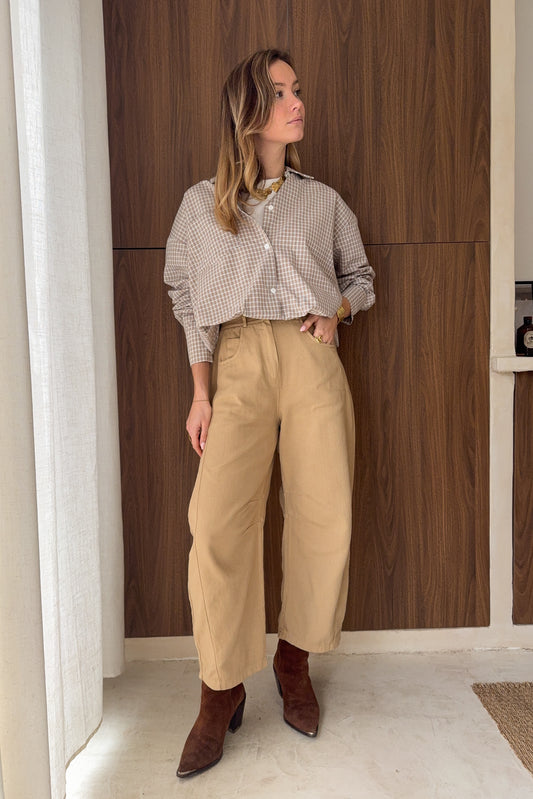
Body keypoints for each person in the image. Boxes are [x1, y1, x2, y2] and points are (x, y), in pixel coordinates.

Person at [164, 48, 375, 778]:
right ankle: (219, 688)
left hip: (311, 358)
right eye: (280, 92)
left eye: (297, 89)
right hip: (238, 357)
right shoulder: (201, 205)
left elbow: (361, 276)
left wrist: (336, 311)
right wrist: (201, 393)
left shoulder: (324, 201)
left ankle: (294, 660)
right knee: (216, 522)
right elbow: (187, 299)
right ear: (248, 110)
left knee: (324, 513)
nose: (296, 102)